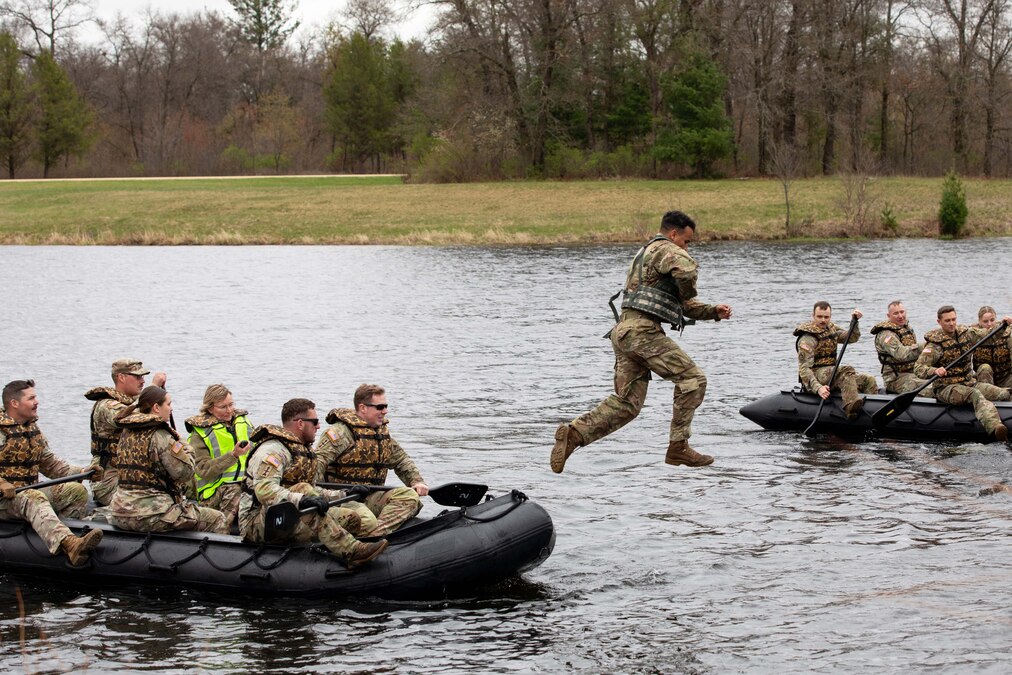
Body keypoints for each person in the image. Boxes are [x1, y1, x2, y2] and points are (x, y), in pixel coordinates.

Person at [551, 210, 733, 472]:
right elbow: (686, 271)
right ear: (673, 234)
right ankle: (678, 447)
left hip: (625, 332)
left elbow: (681, 305)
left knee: (627, 404)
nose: (687, 246)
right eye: (686, 241)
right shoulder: (664, 248)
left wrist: (713, 311)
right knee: (693, 380)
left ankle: (575, 434)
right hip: (642, 332)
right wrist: (688, 288)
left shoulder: (645, 254)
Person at [239, 398, 387, 570]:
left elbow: (313, 490)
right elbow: (264, 491)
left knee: (351, 518)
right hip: (259, 523)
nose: (318, 426)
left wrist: (344, 494)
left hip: (289, 514)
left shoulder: (302, 451)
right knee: (303, 490)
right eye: (315, 422)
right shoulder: (273, 451)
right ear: (300, 423)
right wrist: (302, 499)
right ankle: (352, 551)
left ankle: (334, 559)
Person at [0, 380, 103, 566]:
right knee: (33, 498)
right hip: (4, 500)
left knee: (76, 491)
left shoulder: (31, 428)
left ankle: (60, 536)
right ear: (15, 403)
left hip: (25, 492)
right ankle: (69, 545)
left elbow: (51, 464)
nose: (37, 402)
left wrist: (82, 472)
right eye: (31, 398)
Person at [108, 386, 228, 534]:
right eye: (169, 404)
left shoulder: (126, 432)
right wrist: (186, 447)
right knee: (218, 518)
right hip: (151, 515)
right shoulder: (161, 436)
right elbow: (185, 473)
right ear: (156, 407)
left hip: (120, 511)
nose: (171, 409)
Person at [315, 384, 429, 537]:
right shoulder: (339, 433)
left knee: (409, 497)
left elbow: (401, 460)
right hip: (343, 498)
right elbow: (316, 466)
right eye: (380, 407)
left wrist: (416, 481)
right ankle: (363, 540)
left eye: (386, 406)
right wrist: (321, 496)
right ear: (363, 408)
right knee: (366, 520)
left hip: (371, 496)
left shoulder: (380, 433)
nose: (385, 411)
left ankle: (374, 537)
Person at [915, 305, 1011, 441]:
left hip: (968, 382)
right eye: (947, 321)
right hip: (947, 388)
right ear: (939, 322)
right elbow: (918, 368)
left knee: (1004, 393)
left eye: (953, 319)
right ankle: (995, 428)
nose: (952, 323)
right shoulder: (934, 346)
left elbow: (988, 336)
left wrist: (1003, 325)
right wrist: (934, 370)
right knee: (975, 394)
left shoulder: (966, 334)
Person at [85, 359, 166, 506]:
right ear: (121, 377)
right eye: (137, 377)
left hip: (132, 476)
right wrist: (153, 388)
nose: (142, 381)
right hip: (108, 481)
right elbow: (129, 417)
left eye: (143, 377)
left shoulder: (131, 401)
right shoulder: (106, 405)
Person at [794, 302, 878, 420]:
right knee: (846, 370)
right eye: (819, 316)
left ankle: (872, 411)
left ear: (830, 316)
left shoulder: (831, 329)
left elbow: (851, 337)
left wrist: (854, 322)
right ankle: (850, 408)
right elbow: (804, 369)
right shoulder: (807, 338)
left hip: (832, 374)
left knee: (868, 380)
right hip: (816, 375)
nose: (823, 320)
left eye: (826, 317)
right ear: (813, 315)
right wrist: (818, 388)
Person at [186, 384, 252, 528]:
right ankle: (221, 532)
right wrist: (233, 455)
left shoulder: (243, 422)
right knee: (235, 490)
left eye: (231, 405)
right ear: (210, 408)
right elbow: (202, 470)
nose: (229, 410)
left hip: (245, 484)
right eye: (223, 407)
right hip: (213, 494)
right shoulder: (200, 433)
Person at [870, 300, 932, 395]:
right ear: (888, 316)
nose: (900, 316)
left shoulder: (907, 328)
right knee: (930, 388)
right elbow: (901, 354)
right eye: (896, 313)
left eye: (902, 312)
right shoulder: (886, 335)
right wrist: (924, 346)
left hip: (913, 372)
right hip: (895, 379)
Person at [973, 306, 1012, 388]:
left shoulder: (1006, 331)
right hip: (984, 377)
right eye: (985, 321)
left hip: (1005, 377)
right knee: (985, 368)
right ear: (979, 321)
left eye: (992, 320)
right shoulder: (973, 334)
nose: (989, 324)